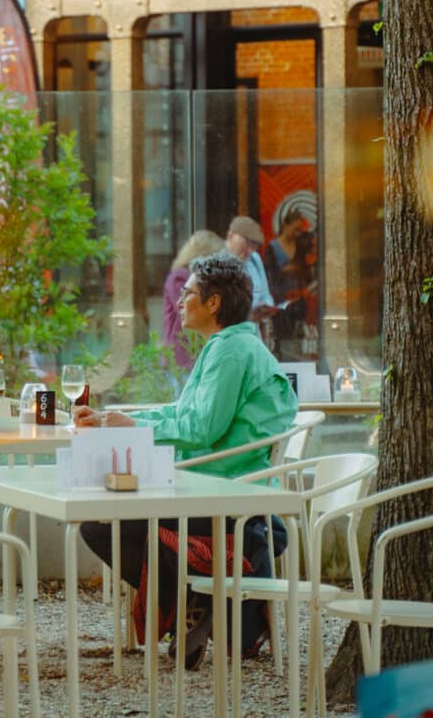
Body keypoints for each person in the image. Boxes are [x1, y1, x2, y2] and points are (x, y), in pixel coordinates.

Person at [76, 252, 298, 670]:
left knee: (98, 525)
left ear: (214, 302)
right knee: (103, 522)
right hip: (215, 483)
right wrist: (122, 421)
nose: (179, 300)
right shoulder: (228, 346)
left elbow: (201, 429)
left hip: (224, 493)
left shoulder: (231, 352)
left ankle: (187, 606)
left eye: (189, 293)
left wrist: (131, 426)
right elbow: (186, 416)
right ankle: (192, 603)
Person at [161, 230, 223, 371]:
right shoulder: (180, 277)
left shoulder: (196, 277)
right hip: (182, 357)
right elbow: (193, 311)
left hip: (195, 353)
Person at [225, 215, 274, 312]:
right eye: (245, 244)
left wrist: (266, 306)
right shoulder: (215, 260)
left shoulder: (254, 258)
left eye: (254, 246)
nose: (249, 251)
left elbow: (265, 295)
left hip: (253, 325)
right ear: (230, 236)